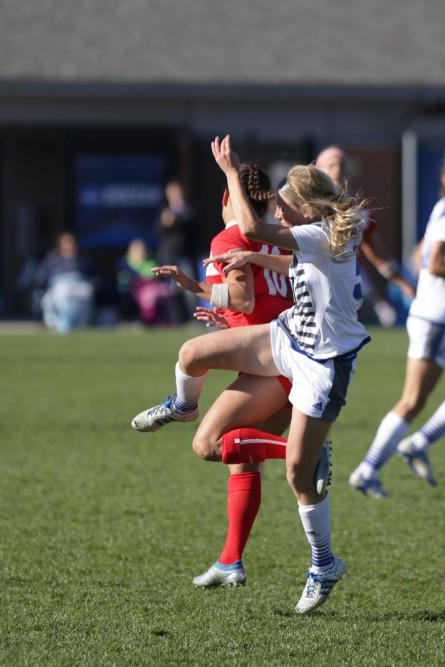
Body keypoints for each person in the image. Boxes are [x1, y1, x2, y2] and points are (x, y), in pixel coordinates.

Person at [132, 136, 369, 613]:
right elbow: (290, 254)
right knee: (193, 352)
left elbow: (251, 225)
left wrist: (230, 172)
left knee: (300, 478)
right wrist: (255, 259)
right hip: (287, 335)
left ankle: (324, 564)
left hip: (323, 365)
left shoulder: (318, 235)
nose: (277, 212)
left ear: (306, 209)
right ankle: (183, 405)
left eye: (285, 205)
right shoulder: (326, 234)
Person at [144, 163, 294, 588]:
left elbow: (244, 299)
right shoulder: (279, 239)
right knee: (241, 458)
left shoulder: (231, 237)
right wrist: (205, 295)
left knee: (206, 438)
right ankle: (231, 561)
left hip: (275, 365)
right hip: (293, 361)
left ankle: (183, 405)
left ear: (227, 199)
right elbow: (260, 306)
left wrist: (200, 290)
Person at [348, 148, 445, 496]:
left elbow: (420, 256)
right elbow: (434, 264)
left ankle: (417, 445)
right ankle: (367, 470)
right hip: (436, 322)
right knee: (413, 400)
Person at [315, 146, 416, 317]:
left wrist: (402, 284)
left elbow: (375, 251)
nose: (337, 170)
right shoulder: (310, 205)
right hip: (314, 277)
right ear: (319, 171)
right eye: (331, 166)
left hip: (348, 280)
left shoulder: (358, 208)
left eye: (341, 165)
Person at [156, 180, 199, 323]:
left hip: (185, 257)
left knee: (190, 291)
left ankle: (195, 319)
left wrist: (178, 219)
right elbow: (157, 231)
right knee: (173, 292)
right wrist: (165, 223)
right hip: (169, 257)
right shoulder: (165, 212)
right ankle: (176, 321)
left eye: (176, 191)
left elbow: (193, 226)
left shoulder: (188, 209)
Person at [34, 232, 94, 332]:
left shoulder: (82, 260)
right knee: (57, 299)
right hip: (60, 288)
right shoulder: (52, 259)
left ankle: (79, 323)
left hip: (80, 290)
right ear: (60, 245)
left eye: (72, 243)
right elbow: (41, 277)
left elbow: (92, 276)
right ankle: (61, 323)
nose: (70, 246)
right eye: (67, 243)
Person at [116, 239, 172, 326]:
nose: (140, 252)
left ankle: (161, 320)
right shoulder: (125, 264)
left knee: (163, 293)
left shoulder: (151, 262)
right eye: (136, 250)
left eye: (142, 250)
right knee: (148, 296)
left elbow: (159, 276)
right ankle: (147, 321)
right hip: (133, 290)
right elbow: (127, 279)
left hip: (153, 288)